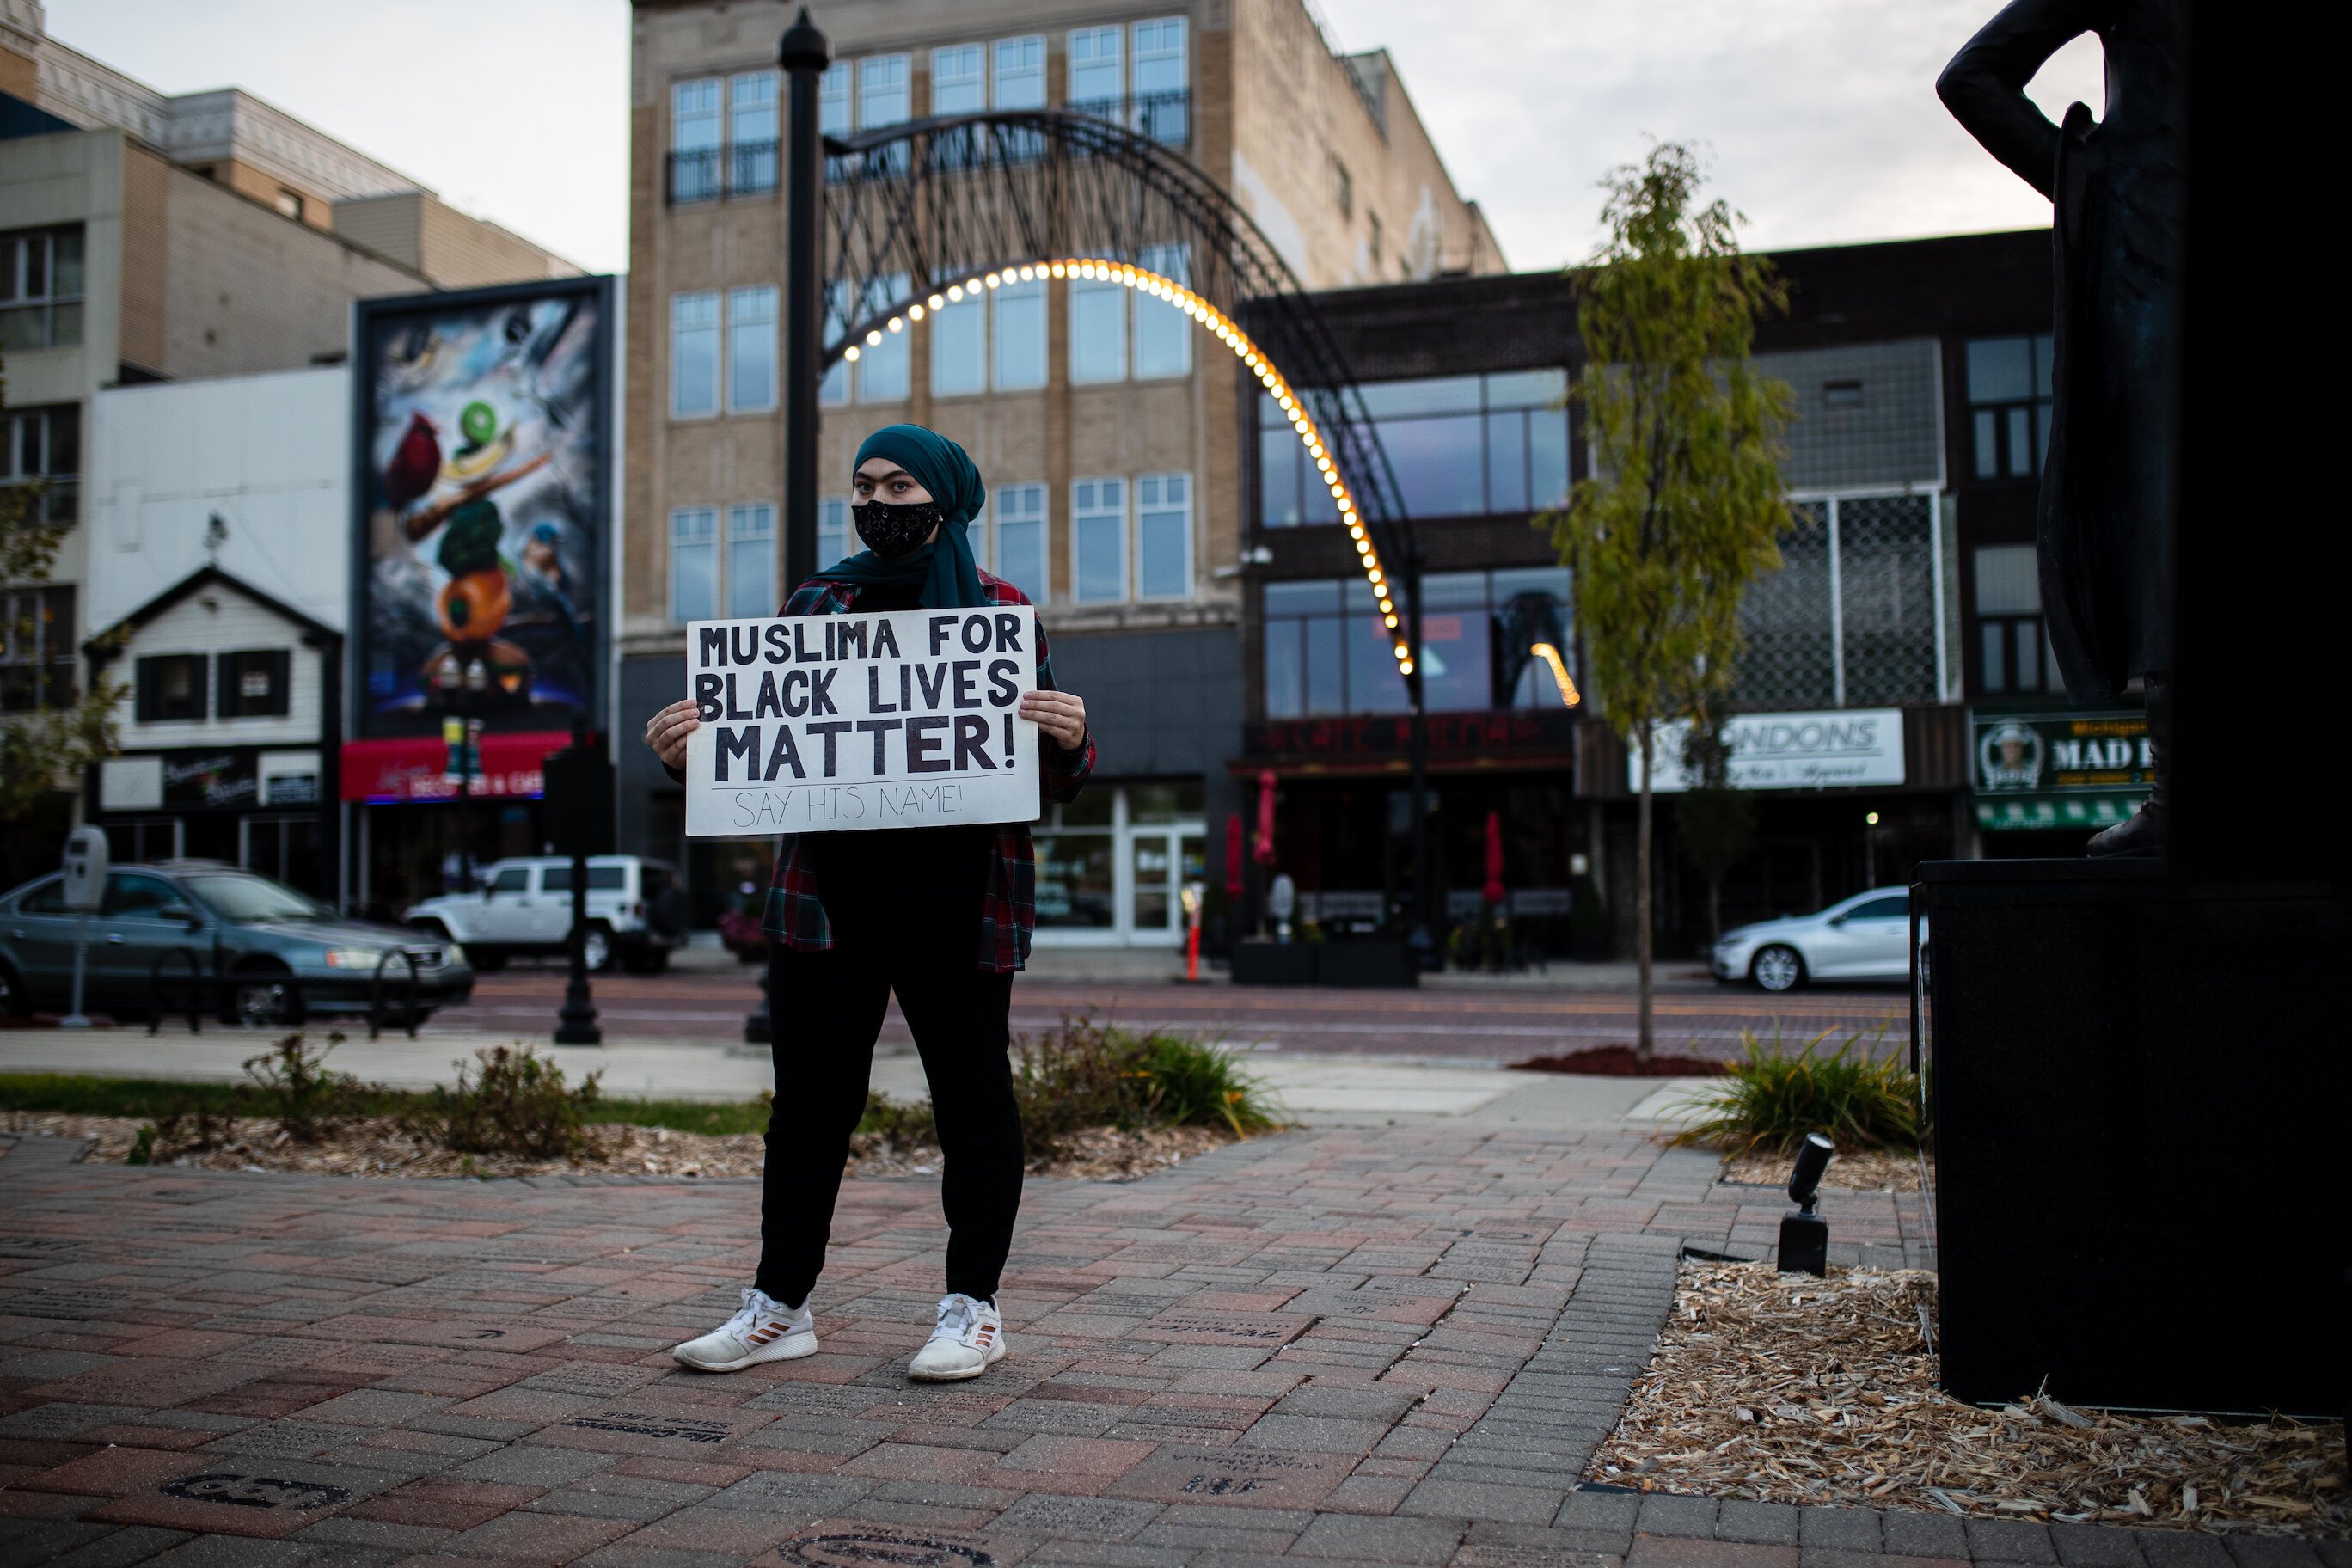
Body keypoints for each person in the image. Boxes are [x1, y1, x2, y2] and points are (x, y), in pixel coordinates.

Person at [643, 424, 1092, 1382]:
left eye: (901, 487)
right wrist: (691, 757)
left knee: (974, 1106)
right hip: (828, 903)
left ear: (945, 498)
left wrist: (1067, 736)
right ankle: (780, 1306)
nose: (881, 504)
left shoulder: (1000, 612)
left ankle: (974, 1308)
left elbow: (1050, 780)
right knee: (807, 1108)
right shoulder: (814, 602)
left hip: (960, 901)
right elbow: (766, 749)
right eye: (864, 487)